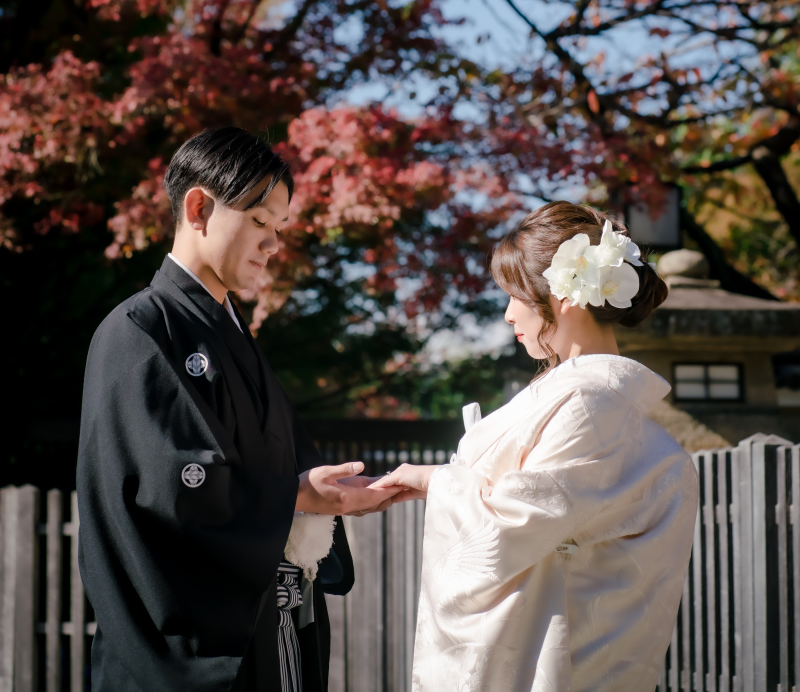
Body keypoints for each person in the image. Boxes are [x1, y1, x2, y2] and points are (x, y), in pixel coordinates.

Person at [77, 126, 396, 692]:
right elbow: (170, 485)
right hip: (196, 653)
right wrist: (296, 495)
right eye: (259, 222)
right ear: (199, 207)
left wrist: (347, 490)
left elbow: (290, 465)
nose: (274, 244)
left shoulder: (233, 337)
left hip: (275, 627)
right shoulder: (139, 331)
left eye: (279, 227)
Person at [373, 202, 699, 692]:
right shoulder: (581, 397)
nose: (507, 314)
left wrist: (434, 481)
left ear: (564, 295)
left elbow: (514, 525)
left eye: (515, 296)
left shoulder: (590, 404)